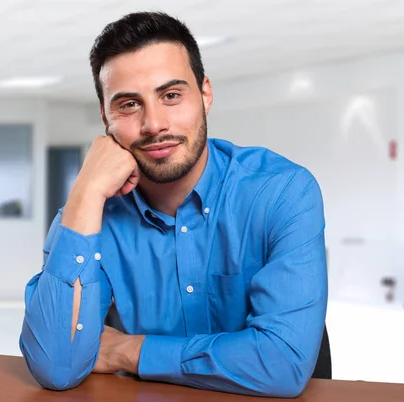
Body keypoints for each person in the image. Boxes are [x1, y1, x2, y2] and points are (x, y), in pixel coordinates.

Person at [19, 11, 327, 398]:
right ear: (105, 118)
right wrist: (85, 191)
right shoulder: (88, 216)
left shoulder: (281, 192)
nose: (154, 124)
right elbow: (56, 367)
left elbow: (282, 363)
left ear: (205, 94)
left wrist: (130, 351)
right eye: (129, 104)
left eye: (171, 96)